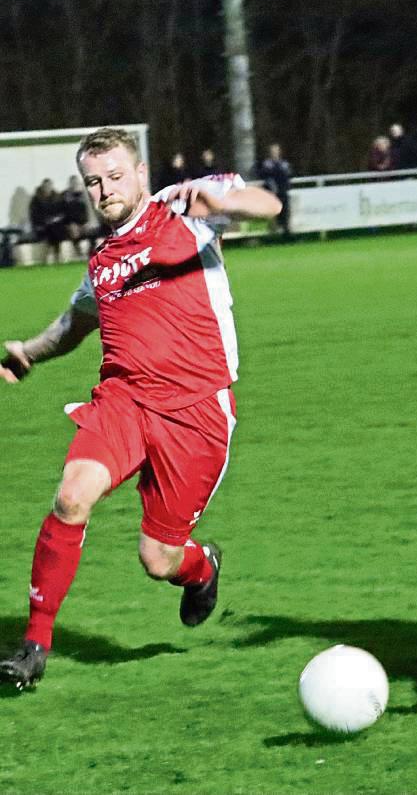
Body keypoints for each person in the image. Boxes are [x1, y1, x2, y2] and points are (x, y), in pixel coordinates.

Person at [0, 127, 281, 690]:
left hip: (196, 411)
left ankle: (202, 567)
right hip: (124, 401)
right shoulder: (101, 261)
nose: (104, 190)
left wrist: (223, 202)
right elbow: (72, 327)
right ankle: (34, 645)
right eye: (93, 182)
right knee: (71, 495)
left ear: (141, 173)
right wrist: (26, 354)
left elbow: (269, 206)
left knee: (159, 559)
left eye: (115, 176)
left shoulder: (186, 207)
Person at [29, 178, 66, 263]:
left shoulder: (58, 198)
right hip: (42, 226)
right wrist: (44, 221)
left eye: (49, 186)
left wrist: (55, 219)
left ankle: (57, 257)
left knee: (56, 231)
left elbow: (62, 212)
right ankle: (47, 258)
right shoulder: (36, 199)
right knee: (50, 233)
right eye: (46, 186)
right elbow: (34, 215)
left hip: (56, 225)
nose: (47, 188)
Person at [258, 143, 292, 235]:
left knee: (285, 212)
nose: (275, 153)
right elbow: (264, 175)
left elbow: (288, 175)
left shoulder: (284, 164)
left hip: (283, 192)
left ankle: (286, 231)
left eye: (276, 151)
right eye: (273, 151)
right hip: (272, 193)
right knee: (273, 213)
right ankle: (273, 233)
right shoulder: (267, 164)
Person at [60, 175, 91, 259]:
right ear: (69, 184)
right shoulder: (65, 196)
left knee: (91, 232)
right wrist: (69, 224)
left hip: (82, 222)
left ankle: (90, 253)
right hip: (70, 223)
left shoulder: (83, 195)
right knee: (74, 233)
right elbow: (63, 212)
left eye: (76, 182)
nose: (74, 184)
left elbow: (86, 211)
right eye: (73, 182)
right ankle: (79, 253)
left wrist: (86, 222)